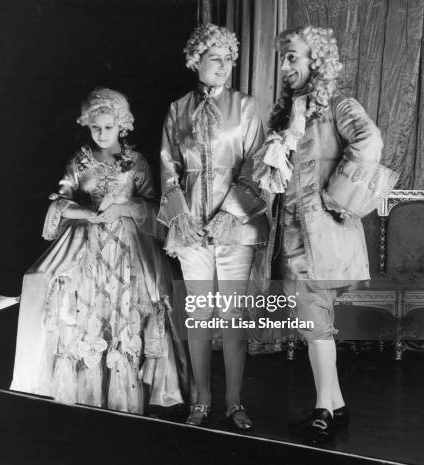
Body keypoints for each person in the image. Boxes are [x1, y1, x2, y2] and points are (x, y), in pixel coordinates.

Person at [253, 25, 398, 444]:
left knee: (315, 320)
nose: (284, 66)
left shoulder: (338, 105)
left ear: (316, 59)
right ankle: (335, 405)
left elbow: (370, 140)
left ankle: (323, 410)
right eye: (283, 58)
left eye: (293, 57)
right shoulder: (287, 114)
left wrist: (338, 194)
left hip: (322, 237)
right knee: (317, 320)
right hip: (293, 237)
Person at [10, 88, 190, 414]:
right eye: (96, 127)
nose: (102, 134)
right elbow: (60, 201)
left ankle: (127, 396)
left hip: (128, 246)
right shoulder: (80, 161)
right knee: (78, 308)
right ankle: (85, 397)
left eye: (108, 127)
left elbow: (153, 207)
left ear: (122, 125)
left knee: (134, 308)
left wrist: (125, 208)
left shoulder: (136, 163)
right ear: (87, 125)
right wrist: (86, 213)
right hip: (89, 244)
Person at [158, 24, 268, 428]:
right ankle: (201, 400)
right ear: (196, 61)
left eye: (228, 59)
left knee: (233, 316)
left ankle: (235, 401)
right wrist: (182, 218)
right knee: (200, 315)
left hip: (234, 226)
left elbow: (257, 165)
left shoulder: (246, 106)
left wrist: (229, 214)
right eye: (215, 58)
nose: (224, 66)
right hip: (190, 229)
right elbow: (168, 169)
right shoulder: (177, 109)